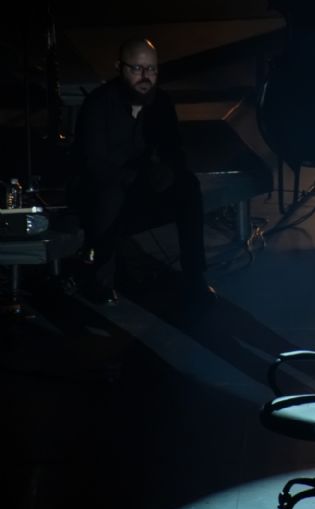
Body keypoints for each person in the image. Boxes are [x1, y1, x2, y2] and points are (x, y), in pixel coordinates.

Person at [68, 37, 213, 307]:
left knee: (187, 186)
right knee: (109, 194)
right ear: (119, 68)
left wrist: (167, 171)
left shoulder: (161, 102)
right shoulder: (99, 104)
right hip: (104, 190)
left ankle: (195, 275)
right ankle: (98, 277)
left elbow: (174, 150)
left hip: (141, 186)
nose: (145, 77)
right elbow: (94, 163)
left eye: (152, 69)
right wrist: (131, 177)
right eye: (137, 69)